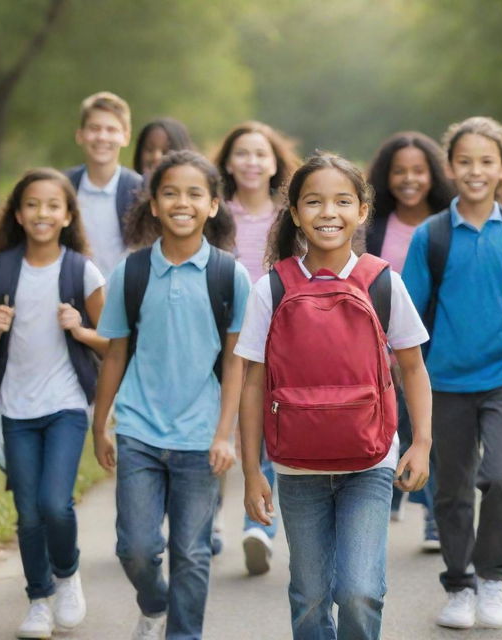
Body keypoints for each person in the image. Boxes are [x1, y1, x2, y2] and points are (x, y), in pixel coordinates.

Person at [236, 153, 432, 640]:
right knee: (309, 597)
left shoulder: (383, 281)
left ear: (362, 210)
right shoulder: (272, 287)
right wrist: (250, 472)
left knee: (361, 592)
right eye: (314, 202)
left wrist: (422, 442)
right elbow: (253, 383)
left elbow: (412, 366)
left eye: (343, 201)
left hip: (370, 461)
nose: (329, 212)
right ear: (296, 213)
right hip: (296, 467)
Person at [92, 150, 251, 640]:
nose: (182, 202)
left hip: (201, 435)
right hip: (139, 427)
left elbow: (235, 363)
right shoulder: (130, 272)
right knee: (135, 548)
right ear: (154, 205)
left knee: (192, 550)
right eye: (170, 193)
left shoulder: (230, 275)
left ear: (213, 206)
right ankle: (154, 602)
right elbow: (116, 353)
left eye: (194, 194)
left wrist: (225, 435)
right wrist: (101, 424)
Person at [402, 117, 502, 630]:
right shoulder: (430, 235)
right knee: (452, 488)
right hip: (445, 384)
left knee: (500, 476)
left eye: (486, 161)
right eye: (465, 161)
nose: (475, 171)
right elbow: (409, 317)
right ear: (450, 167)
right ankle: (459, 585)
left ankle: (493, 579)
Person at [0, 168, 107, 639]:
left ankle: (67, 575)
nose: (42, 213)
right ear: (18, 213)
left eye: (53, 205)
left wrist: (79, 328)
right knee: (28, 511)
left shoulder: (81, 270)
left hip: (67, 404)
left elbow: (113, 342)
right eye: (32, 204)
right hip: (16, 407)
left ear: (68, 215)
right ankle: (38, 599)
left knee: (54, 503)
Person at [214, 120, 300, 571]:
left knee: (265, 430)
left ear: (274, 163)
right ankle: (207, 516)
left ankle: (259, 526)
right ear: (228, 162)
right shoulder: (214, 213)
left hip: (274, 340)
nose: (251, 162)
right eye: (242, 153)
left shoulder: (289, 218)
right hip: (218, 341)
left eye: (260, 154)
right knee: (215, 428)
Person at [367, 131, 455, 549]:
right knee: (394, 420)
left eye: (418, 170)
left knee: (431, 425)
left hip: (444, 339)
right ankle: (396, 489)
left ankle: (435, 516)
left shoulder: (448, 220)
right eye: (399, 171)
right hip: (387, 344)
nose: (408, 179)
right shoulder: (374, 228)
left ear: (433, 174)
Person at [67, 91, 142, 279]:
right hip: (73, 301)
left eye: (111, 130)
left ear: (125, 137)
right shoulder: (65, 188)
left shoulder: (140, 191)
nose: (102, 137)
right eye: (94, 128)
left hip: (124, 300)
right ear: (80, 135)